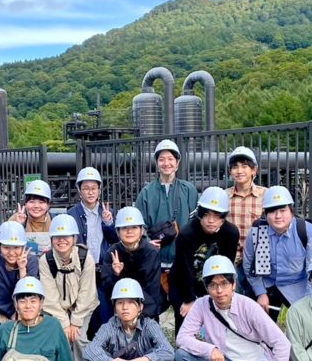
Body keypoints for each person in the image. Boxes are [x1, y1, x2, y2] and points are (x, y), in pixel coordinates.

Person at [174, 256, 292, 361]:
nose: (219, 290)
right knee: (182, 356)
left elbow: (281, 343)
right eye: (213, 285)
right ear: (206, 287)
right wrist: (211, 350)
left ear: (234, 284)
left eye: (224, 283)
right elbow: (182, 338)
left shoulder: (249, 306)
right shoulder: (202, 304)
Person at [39, 214, 100, 361]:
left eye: (67, 236)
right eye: (57, 237)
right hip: (56, 309)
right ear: (52, 239)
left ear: (74, 238)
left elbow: (87, 292)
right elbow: (49, 296)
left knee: (79, 337)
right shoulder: (46, 260)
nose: (62, 241)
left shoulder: (84, 257)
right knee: (58, 337)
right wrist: (64, 322)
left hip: (82, 307)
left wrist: (76, 321)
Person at [244, 186, 312, 320]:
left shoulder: (306, 232)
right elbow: (249, 264)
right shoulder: (259, 232)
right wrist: (260, 293)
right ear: (266, 214)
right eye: (272, 212)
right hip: (267, 283)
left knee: (306, 322)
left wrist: (308, 301)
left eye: (283, 210)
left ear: (291, 211)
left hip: (297, 284)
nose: (278, 216)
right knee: (257, 324)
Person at [169, 186, 239, 331]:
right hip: (184, 283)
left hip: (213, 282)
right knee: (186, 319)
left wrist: (222, 291)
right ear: (200, 214)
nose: (211, 220)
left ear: (223, 216)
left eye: (216, 215)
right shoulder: (187, 234)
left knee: (217, 320)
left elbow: (227, 265)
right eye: (206, 214)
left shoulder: (230, 233)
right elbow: (184, 269)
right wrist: (189, 300)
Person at [134, 139, 198, 288]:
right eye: (161, 159)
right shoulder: (146, 193)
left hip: (182, 258)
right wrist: (147, 241)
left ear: (177, 163)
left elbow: (196, 222)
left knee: (182, 305)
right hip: (155, 258)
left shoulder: (189, 190)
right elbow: (139, 224)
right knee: (155, 303)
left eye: (170, 159)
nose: (166, 163)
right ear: (157, 164)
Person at [0, 221, 41, 354]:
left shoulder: (31, 261)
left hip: (27, 308)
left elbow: (30, 294)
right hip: (4, 310)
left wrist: (22, 270)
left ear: (23, 247)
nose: (12, 252)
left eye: (16, 247)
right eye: (6, 247)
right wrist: (15, 315)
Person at [98, 206, 163, 321]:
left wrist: (139, 316)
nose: (129, 232)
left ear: (141, 230)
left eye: (134, 227)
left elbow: (152, 289)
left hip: (146, 310)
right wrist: (115, 274)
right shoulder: (112, 253)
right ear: (118, 231)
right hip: (119, 310)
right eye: (124, 228)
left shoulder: (151, 252)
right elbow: (106, 287)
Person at [225, 146, 267, 292]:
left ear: (254, 170)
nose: (239, 170)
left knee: (258, 303)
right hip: (232, 261)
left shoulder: (266, 195)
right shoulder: (224, 197)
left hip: (258, 261)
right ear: (230, 172)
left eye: (245, 166)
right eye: (235, 167)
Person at [66, 166, 118, 266]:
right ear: (79, 191)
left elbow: (116, 239)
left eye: (94, 188)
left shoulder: (109, 212)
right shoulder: (71, 214)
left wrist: (108, 223)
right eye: (86, 188)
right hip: (80, 265)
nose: (90, 192)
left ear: (99, 190)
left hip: (104, 264)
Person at [8, 179, 53, 254]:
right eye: (32, 202)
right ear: (25, 203)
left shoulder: (54, 220)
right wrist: (18, 225)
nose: (36, 206)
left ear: (48, 205)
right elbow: (5, 246)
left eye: (41, 202)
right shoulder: (15, 219)